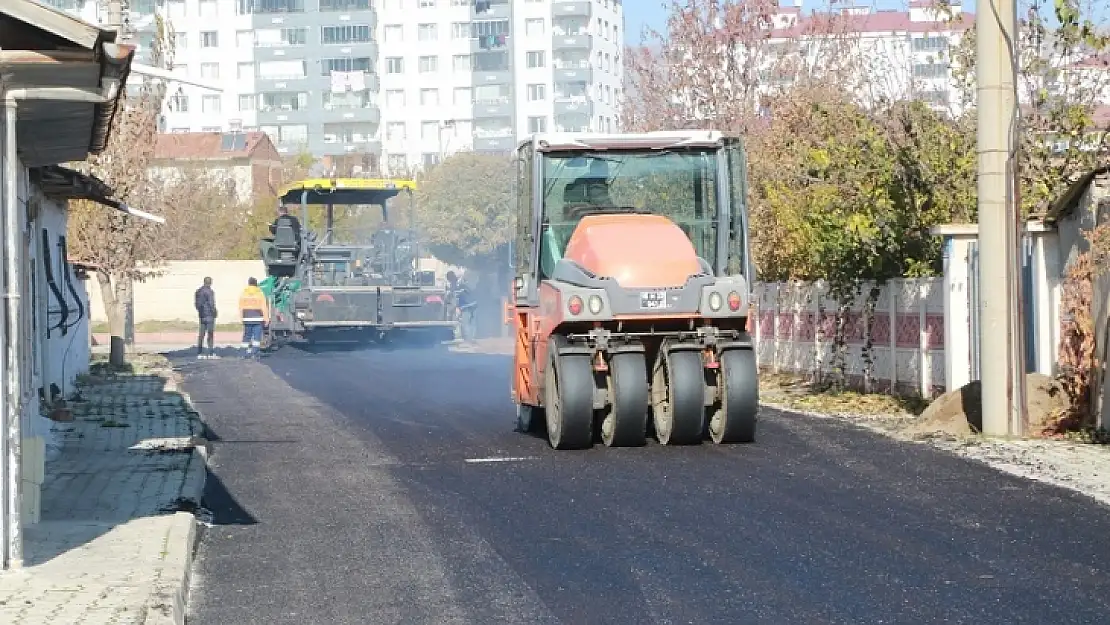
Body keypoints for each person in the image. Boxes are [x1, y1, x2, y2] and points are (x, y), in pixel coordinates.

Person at [238, 277, 270, 360]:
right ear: (256, 284)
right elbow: (264, 307)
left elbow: (241, 307)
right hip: (258, 318)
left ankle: (242, 353)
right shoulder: (260, 293)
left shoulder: (244, 293)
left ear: (249, 283)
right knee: (257, 337)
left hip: (247, 318)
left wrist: (241, 318)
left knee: (246, 336)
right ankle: (254, 354)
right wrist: (266, 318)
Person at [446, 271, 477, 342]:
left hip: (467, 306)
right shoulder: (458, 284)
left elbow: (456, 297)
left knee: (465, 323)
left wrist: (455, 307)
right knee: (467, 323)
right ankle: (469, 339)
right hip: (470, 305)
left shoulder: (458, 285)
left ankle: (468, 340)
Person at [193, 277, 218, 359]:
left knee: (201, 334)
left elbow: (196, 304)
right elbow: (211, 304)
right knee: (210, 334)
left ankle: (199, 351)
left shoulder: (198, 291)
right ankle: (210, 352)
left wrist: (200, 311)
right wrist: (214, 312)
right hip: (209, 315)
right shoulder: (210, 292)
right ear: (210, 282)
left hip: (202, 314)